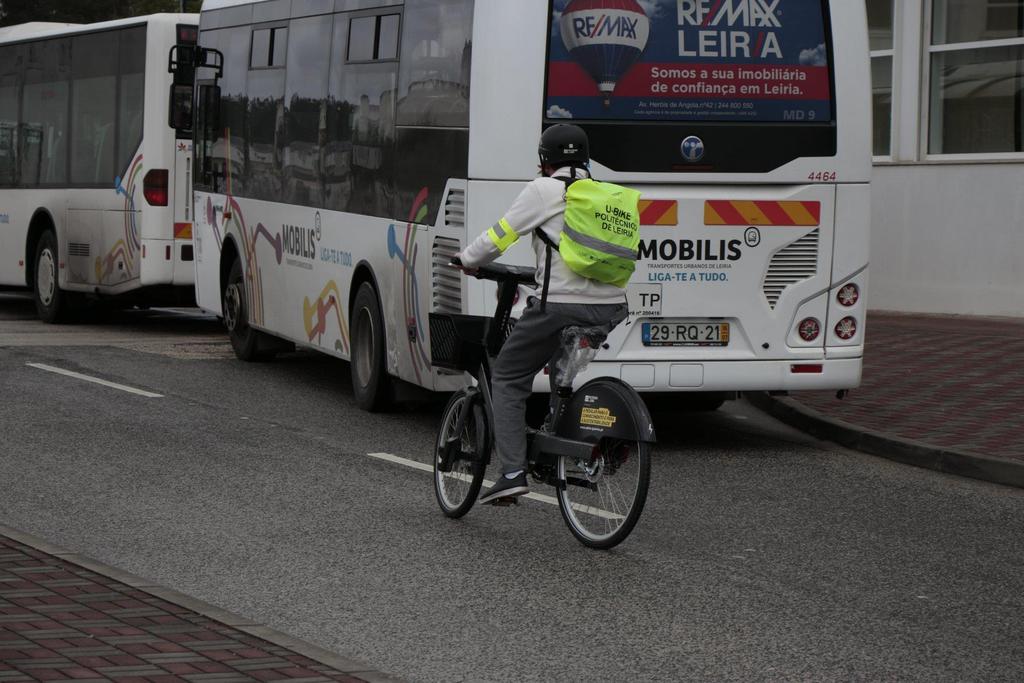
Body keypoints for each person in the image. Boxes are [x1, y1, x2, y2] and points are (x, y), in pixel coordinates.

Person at [455, 124, 629, 504]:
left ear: (544, 161)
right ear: (585, 159)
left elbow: (502, 234)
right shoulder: (607, 194)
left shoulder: (543, 189)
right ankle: (562, 444)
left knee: (509, 376)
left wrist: (467, 260)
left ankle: (513, 473)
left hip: (560, 304)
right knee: (561, 376)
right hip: (612, 306)